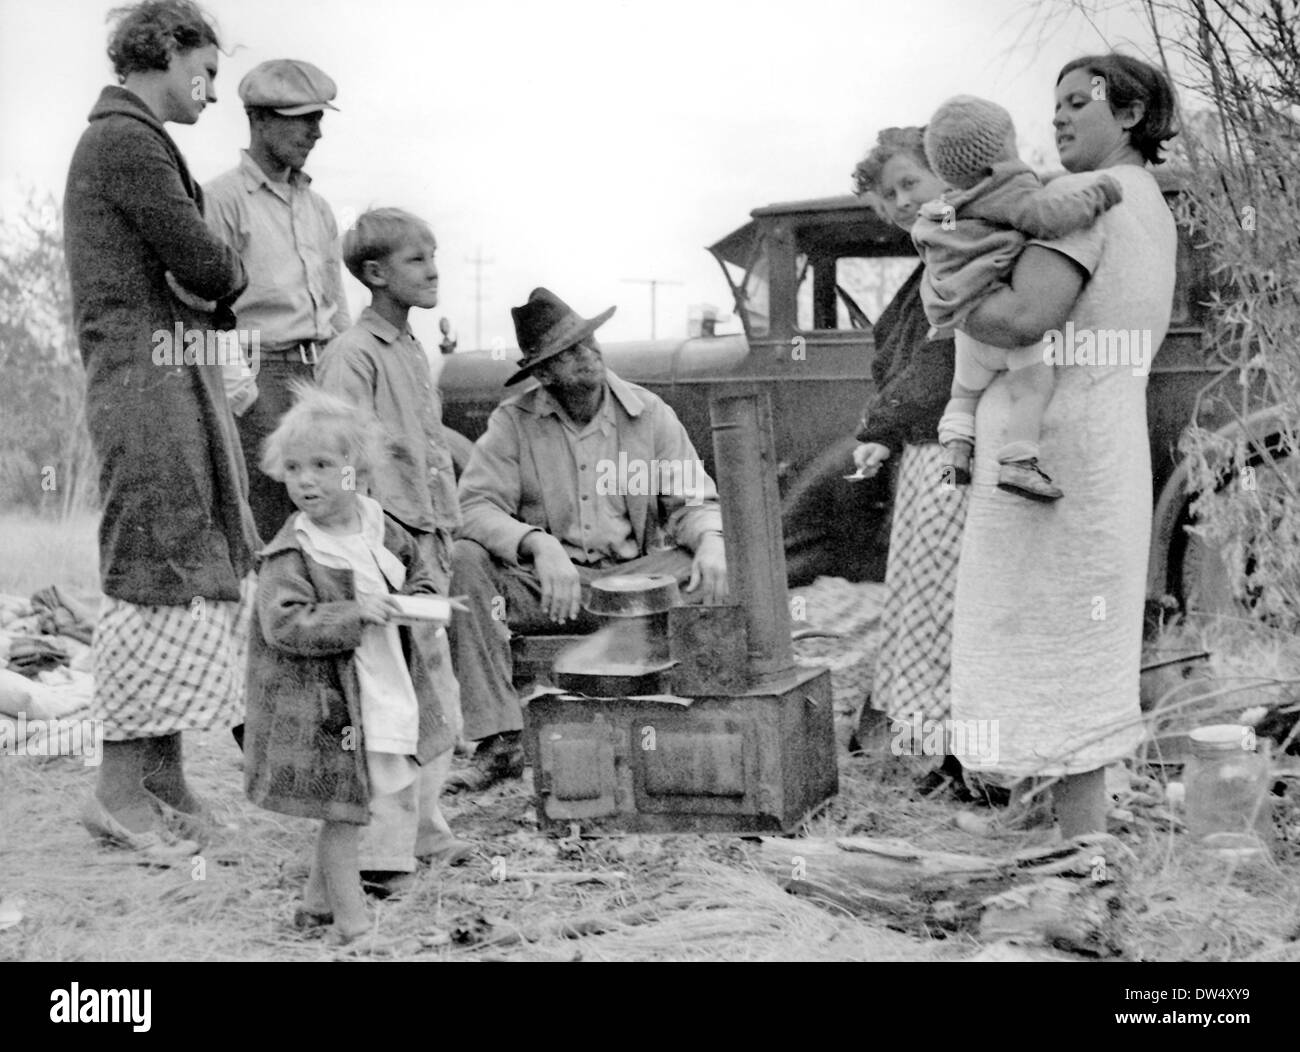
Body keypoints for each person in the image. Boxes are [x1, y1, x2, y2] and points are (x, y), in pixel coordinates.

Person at [949, 53, 1178, 837]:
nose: (1058, 117)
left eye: (1079, 102)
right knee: (1074, 642)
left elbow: (1018, 319)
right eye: (1054, 105)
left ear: (1131, 115)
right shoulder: (1149, 201)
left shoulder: (1084, 203)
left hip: (1056, 453)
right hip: (1101, 445)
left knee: (1049, 640)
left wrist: (947, 297)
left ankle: (1078, 853)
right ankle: (1050, 824)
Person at [63, 0, 252, 856]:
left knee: (180, 555)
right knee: (151, 565)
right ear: (164, 51)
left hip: (164, 373)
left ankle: (162, 775)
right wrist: (218, 275)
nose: (211, 93)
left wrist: (206, 285)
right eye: (204, 71)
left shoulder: (135, 138)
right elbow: (209, 263)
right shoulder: (126, 142)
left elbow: (199, 275)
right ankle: (115, 788)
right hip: (147, 383)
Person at [447, 288, 729, 791]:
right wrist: (538, 544)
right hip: (551, 590)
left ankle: (697, 717)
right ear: (544, 373)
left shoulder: (649, 413)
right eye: (569, 351)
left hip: (632, 590)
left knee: (707, 558)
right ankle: (499, 740)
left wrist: (710, 539)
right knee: (464, 561)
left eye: (589, 341)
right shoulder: (513, 423)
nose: (589, 354)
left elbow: (692, 503)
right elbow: (471, 507)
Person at [243, 385, 457, 948]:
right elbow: (283, 624)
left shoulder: (378, 524)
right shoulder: (294, 552)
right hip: (327, 704)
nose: (305, 480)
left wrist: (427, 599)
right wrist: (353, 612)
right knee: (347, 810)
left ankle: (316, 905)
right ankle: (352, 924)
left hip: (380, 687)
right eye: (293, 468)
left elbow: (420, 568)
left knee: (354, 800)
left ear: (357, 470)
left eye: (322, 465)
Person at [316, 208, 471, 880]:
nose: (433, 269)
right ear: (375, 274)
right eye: (416, 259)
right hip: (384, 550)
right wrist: (371, 551)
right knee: (385, 695)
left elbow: (427, 448)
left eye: (434, 255)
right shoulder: (353, 355)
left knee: (433, 689)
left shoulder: (410, 348)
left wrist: (444, 525)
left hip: (427, 541)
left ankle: (426, 833)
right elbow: (339, 453)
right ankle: (379, 853)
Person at [913, 95, 1124, 502]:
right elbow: (1049, 218)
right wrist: (1100, 193)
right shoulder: (1005, 186)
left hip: (967, 331)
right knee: (1032, 390)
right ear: (1001, 149)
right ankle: (1018, 463)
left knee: (963, 394)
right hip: (1007, 325)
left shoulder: (938, 210)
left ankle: (955, 454)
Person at [848, 128, 968, 754]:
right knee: (920, 597)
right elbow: (900, 363)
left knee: (941, 599)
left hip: (956, 452)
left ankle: (943, 735)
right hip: (924, 453)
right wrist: (888, 438)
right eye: (886, 197)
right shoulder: (928, 262)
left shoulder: (965, 251)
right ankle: (923, 734)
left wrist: (880, 425)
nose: (898, 202)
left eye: (909, 184)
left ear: (946, 173)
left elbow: (938, 363)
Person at [205, 58, 352, 544]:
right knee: (269, 517)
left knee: (334, 515)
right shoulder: (222, 200)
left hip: (321, 376)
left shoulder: (319, 208)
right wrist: (243, 393)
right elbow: (203, 309)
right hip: (259, 373)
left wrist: (345, 380)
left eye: (320, 119)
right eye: (303, 118)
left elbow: (337, 306)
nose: (317, 133)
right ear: (259, 119)